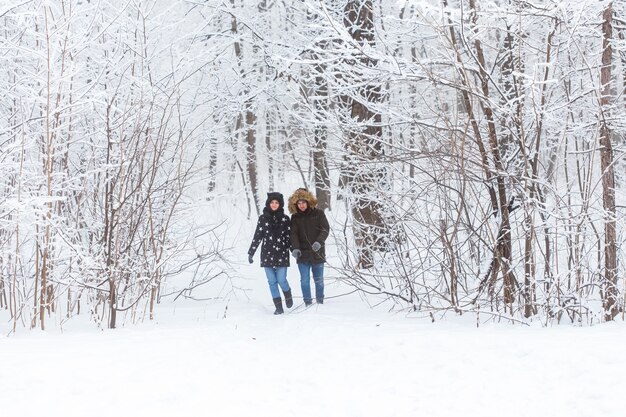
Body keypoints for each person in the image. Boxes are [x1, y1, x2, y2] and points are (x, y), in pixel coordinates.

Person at [248, 192, 293, 315]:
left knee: (281, 279)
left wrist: (293, 250)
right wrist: (251, 252)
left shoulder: (285, 219)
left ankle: (288, 293)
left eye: (276, 202)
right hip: (267, 254)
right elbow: (258, 236)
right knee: (272, 282)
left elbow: (289, 238)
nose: (274, 204)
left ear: (280, 204)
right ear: (268, 203)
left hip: (282, 254)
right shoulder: (263, 219)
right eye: (272, 202)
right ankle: (278, 307)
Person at [288, 188, 329, 306]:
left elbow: (325, 229)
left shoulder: (319, 214)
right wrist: (295, 248)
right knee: (304, 280)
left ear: (308, 202)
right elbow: (293, 234)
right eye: (299, 203)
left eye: (303, 202)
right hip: (302, 254)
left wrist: (319, 242)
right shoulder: (295, 217)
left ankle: (320, 301)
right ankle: (307, 302)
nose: (301, 205)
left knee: (319, 280)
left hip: (317, 252)